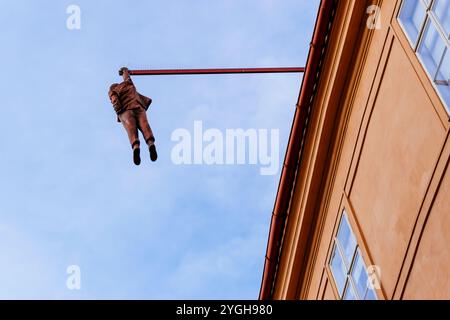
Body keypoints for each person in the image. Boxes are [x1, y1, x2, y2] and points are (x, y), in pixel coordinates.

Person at [108, 67, 157, 165]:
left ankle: (136, 147)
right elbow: (127, 78)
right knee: (145, 126)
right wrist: (124, 71)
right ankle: (150, 143)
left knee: (132, 131)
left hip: (126, 111)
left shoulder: (113, 91)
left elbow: (114, 101)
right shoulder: (128, 84)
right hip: (138, 107)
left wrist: (118, 110)